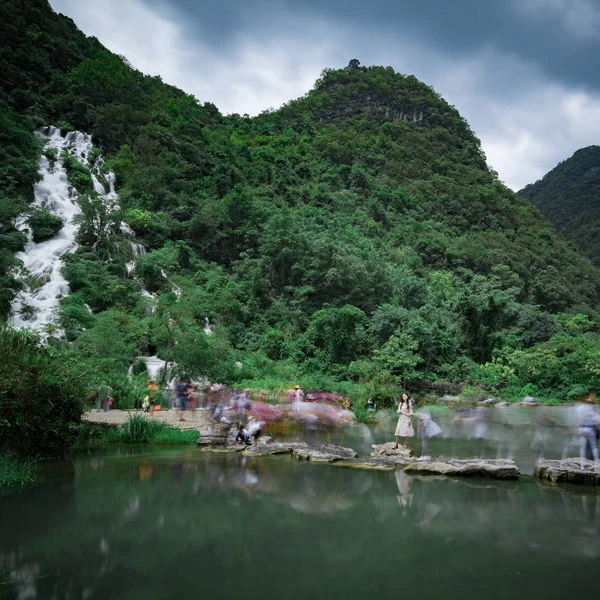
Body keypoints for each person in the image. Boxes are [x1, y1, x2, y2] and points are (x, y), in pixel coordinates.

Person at [576, 394, 600, 468]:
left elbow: (579, 420)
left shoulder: (580, 409)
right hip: (590, 429)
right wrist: (598, 428)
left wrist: (578, 428)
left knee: (582, 447)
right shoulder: (592, 409)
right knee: (594, 447)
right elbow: (597, 420)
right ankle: (597, 462)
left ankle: (582, 464)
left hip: (582, 429)